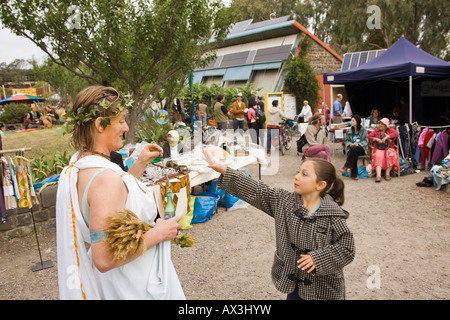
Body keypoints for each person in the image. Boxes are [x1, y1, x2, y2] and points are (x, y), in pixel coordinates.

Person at [56, 86, 185, 300]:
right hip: (129, 287)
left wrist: (141, 162)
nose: (125, 127)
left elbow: (120, 200)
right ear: (100, 124)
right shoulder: (104, 179)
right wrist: (160, 232)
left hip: (119, 283)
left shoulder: (81, 163)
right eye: (121, 120)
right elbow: (104, 258)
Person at [203, 149, 355, 300]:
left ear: (320, 185)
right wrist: (225, 170)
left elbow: (347, 248)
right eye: (298, 172)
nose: (296, 177)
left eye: (304, 174)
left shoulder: (333, 215)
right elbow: (258, 190)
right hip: (294, 283)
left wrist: (318, 258)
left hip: (324, 289)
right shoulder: (284, 201)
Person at [368, 117, 399, 182]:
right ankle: (378, 175)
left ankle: (387, 173)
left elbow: (396, 134)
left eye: (382, 124)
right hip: (379, 148)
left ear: (386, 126)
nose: (380, 125)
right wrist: (376, 139)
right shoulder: (376, 131)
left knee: (391, 153)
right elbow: (369, 136)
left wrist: (387, 136)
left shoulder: (390, 131)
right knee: (379, 154)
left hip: (389, 147)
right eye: (380, 124)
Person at [340, 115, 369, 180]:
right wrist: (350, 144)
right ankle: (354, 175)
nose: (351, 122)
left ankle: (346, 166)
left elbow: (366, 141)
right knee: (353, 152)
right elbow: (346, 140)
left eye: (353, 120)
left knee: (354, 149)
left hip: (361, 148)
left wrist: (358, 144)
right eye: (351, 120)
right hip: (352, 149)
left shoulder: (363, 130)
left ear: (357, 122)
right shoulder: (349, 131)